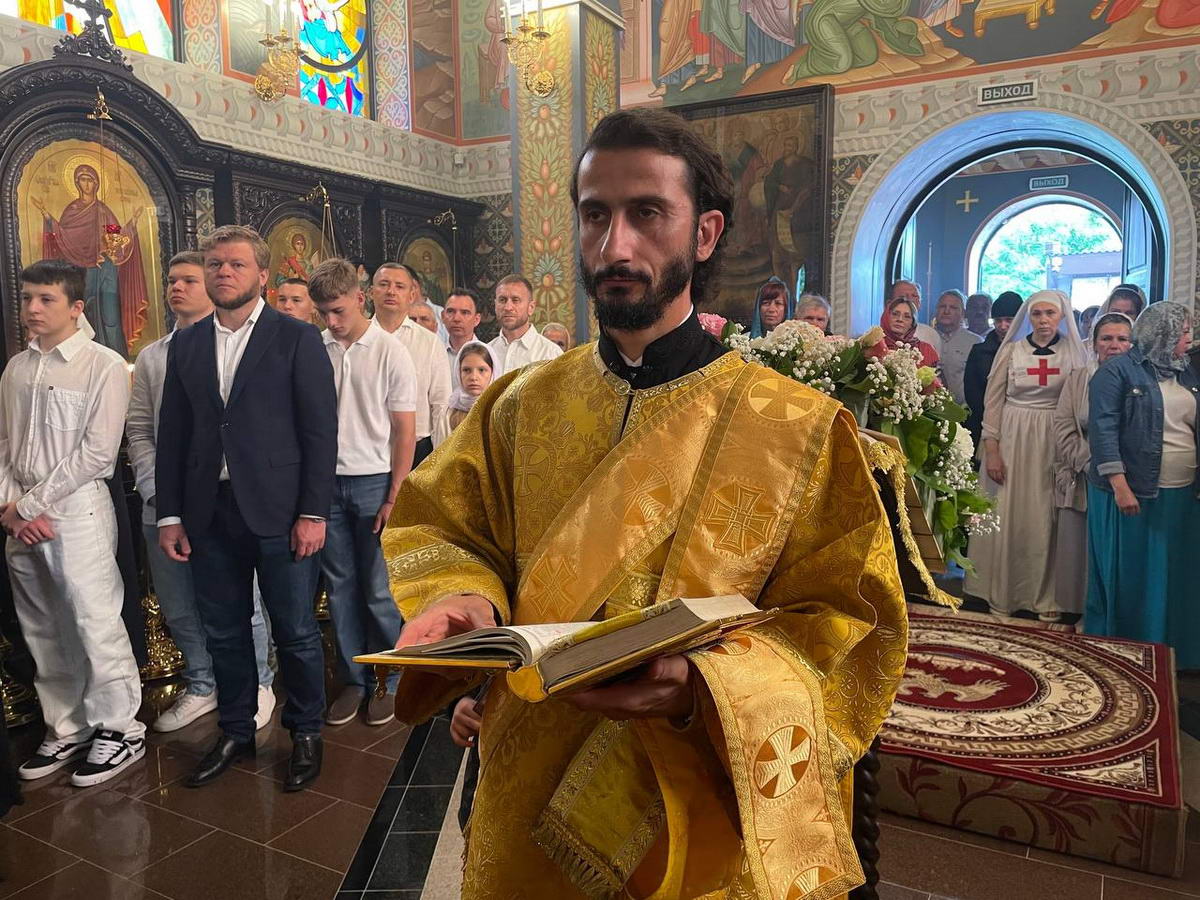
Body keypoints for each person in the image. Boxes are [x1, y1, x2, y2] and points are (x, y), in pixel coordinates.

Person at [381, 107, 905, 898]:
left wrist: (701, 688)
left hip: (693, 804)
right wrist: (465, 598)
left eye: (648, 213)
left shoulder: (797, 428)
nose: (615, 245)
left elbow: (847, 627)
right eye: (596, 215)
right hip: (526, 780)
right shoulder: (519, 403)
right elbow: (450, 526)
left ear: (706, 232)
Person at [156, 225, 337, 791]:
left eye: (235, 264)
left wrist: (313, 512)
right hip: (209, 512)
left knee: (295, 630)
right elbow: (173, 435)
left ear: (262, 274)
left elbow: (319, 432)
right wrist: (170, 514)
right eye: (215, 264)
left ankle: (305, 732)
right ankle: (235, 730)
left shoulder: (296, 337)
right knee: (225, 630)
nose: (223, 273)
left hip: (281, 510)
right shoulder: (186, 344)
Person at [1, 260, 144, 787]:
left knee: (92, 619)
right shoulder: (17, 368)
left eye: (46, 299)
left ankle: (121, 728)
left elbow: (97, 455)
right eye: (27, 298)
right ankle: (67, 726)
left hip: (76, 510)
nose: (33, 309)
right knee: (42, 625)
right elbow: (4, 444)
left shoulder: (102, 365)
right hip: (19, 516)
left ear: (76, 306)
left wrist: (28, 506)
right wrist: (9, 507)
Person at [128, 252, 277, 734]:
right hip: (165, 500)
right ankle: (201, 682)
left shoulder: (239, 345)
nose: (177, 287)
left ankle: (258, 682)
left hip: (222, 496)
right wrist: (158, 492)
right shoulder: (153, 356)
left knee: (242, 600)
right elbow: (142, 430)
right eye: (171, 280)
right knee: (177, 602)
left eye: (189, 279)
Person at [308, 259, 417, 727]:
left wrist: (395, 495)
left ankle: (390, 679)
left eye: (338, 310)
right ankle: (353, 679)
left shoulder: (390, 351)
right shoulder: (317, 348)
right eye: (324, 313)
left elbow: (404, 431)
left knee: (378, 590)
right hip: (325, 483)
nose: (332, 321)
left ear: (359, 298)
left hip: (374, 481)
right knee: (339, 588)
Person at [1086, 302, 1199, 666]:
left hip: (1182, 492)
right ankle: (1129, 651)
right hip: (1133, 491)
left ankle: (1173, 651)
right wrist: (1120, 485)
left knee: (1173, 573)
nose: (1189, 338)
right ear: (1161, 333)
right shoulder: (1117, 372)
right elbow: (1103, 430)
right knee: (1134, 575)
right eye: (1184, 331)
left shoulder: (1187, 371)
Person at [964, 290, 1088, 621]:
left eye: (1050, 313)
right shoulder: (1011, 352)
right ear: (1028, 317)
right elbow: (993, 403)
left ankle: (1046, 596)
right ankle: (1002, 592)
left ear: (1061, 316)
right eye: (1037, 314)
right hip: (1011, 440)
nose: (1043, 320)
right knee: (1006, 513)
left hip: (1053, 440)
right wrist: (992, 450)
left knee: (1045, 517)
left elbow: (1079, 404)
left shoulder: (1074, 354)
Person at [1052, 312, 1133, 623]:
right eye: (1106, 338)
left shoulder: (1141, 379)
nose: (1114, 345)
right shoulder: (1079, 378)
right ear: (1094, 342)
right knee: (1081, 550)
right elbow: (1063, 425)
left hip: (1128, 480)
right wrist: (1090, 463)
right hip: (1084, 472)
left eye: (1122, 339)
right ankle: (1082, 612)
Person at [371, 263, 452, 466]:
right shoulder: (358, 337)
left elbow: (441, 403)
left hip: (419, 449)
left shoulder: (430, 342)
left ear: (411, 295)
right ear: (371, 292)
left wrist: (440, 458)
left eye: (399, 286)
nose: (391, 291)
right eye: (384, 284)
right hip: (367, 449)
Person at [963, 291, 1022, 445]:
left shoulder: (1029, 352)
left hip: (1021, 423)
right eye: (998, 321)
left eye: (1009, 320)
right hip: (985, 422)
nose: (1003, 326)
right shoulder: (980, 351)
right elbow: (972, 393)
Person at [488, 274, 563, 375]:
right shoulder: (487, 352)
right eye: (502, 300)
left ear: (531, 307)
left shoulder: (551, 354)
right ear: (495, 305)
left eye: (515, 300)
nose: (508, 307)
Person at [933, 289, 982, 407]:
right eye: (942, 306)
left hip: (964, 410)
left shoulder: (976, 343)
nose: (946, 311)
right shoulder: (925, 337)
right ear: (936, 310)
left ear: (963, 313)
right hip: (927, 411)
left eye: (953, 308)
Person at [448, 341, 496, 432]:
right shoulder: (448, 412)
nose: (473, 377)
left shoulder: (501, 411)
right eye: (466, 370)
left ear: (493, 373)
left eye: (481, 370)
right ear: (458, 373)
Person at [880, 296, 939, 368]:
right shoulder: (874, 346)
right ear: (886, 317)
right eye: (895, 314)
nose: (900, 319)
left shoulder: (926, 350)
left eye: (907, 317)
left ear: (912, 323)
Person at [887, 279, 940, 347]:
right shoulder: (877, 336)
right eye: (903, 297)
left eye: (914, 296)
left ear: (919, 303)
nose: (910, 300)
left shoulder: (930, 335)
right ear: (889, 303)